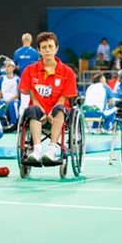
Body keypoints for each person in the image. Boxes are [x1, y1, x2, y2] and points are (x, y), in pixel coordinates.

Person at [18, 31, 78, 164]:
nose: (47, 50)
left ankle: (52, 149)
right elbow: (32, 95)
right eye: (44, 47)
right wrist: (43, 111)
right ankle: (37, 149)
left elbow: (64, 97)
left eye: (50, 46)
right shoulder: (30, 70)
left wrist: (51, 112)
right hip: (38, 109)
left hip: (58, 111)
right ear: (39, 50)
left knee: (60, 109)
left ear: (56, 48)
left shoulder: (67, 72)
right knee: (33, 109)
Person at [0, 58, 20, 129]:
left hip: (14, 100)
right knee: (1, 103)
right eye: (5, 66)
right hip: (4, 99)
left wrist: (9, 101)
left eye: (9, 66)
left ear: (13, 68)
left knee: (13, 104)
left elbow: (18, 94)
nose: (7, 68)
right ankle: (0, 124)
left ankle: (14, 124)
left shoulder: (17, 79)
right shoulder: (2, 78)